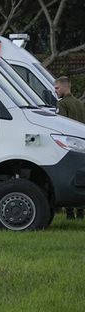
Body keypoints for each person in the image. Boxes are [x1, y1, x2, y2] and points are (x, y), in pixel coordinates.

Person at [54, 77, 84, 219]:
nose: (55, 91)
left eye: (57, 88)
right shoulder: (79, 104)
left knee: (68, 178)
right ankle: (81, 213)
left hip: (68, 145)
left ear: (65, 87)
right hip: (81, 145)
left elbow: (60, 126)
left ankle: (70, 213)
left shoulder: (63, 104)